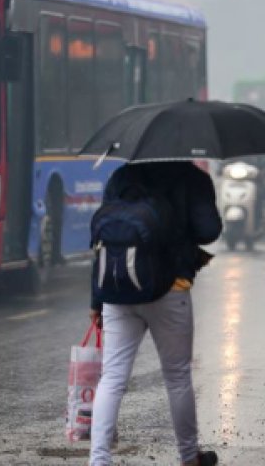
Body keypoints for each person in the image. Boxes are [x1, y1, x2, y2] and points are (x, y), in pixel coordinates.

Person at [89, 161, 222, 466]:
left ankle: (98, 461)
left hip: (118, 289)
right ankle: (189, 457)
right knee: (177, 378)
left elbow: (103, 243)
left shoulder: (121, 177)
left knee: (112, 379)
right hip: (170, 288)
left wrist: (96, 301)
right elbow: (209, 231)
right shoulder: (191, 177)